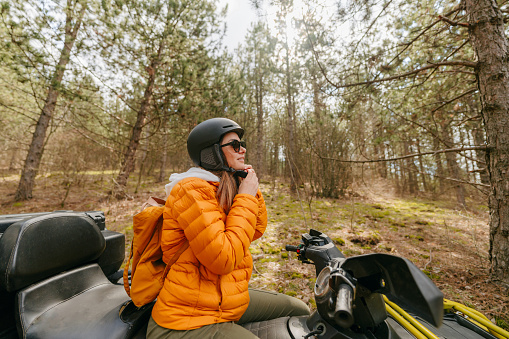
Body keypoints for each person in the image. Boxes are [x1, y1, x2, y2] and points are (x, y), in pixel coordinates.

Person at [147, 118, 309, 338]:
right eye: (234, 145)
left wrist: (249, 188)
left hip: (221, 298)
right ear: (211, 153)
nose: (242, 149)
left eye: (241, 144)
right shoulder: (190, 190)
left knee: (299, 309)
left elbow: (256, 229)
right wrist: (245, 197)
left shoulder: (219, 185)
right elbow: (223, 258)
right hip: (186, 318)